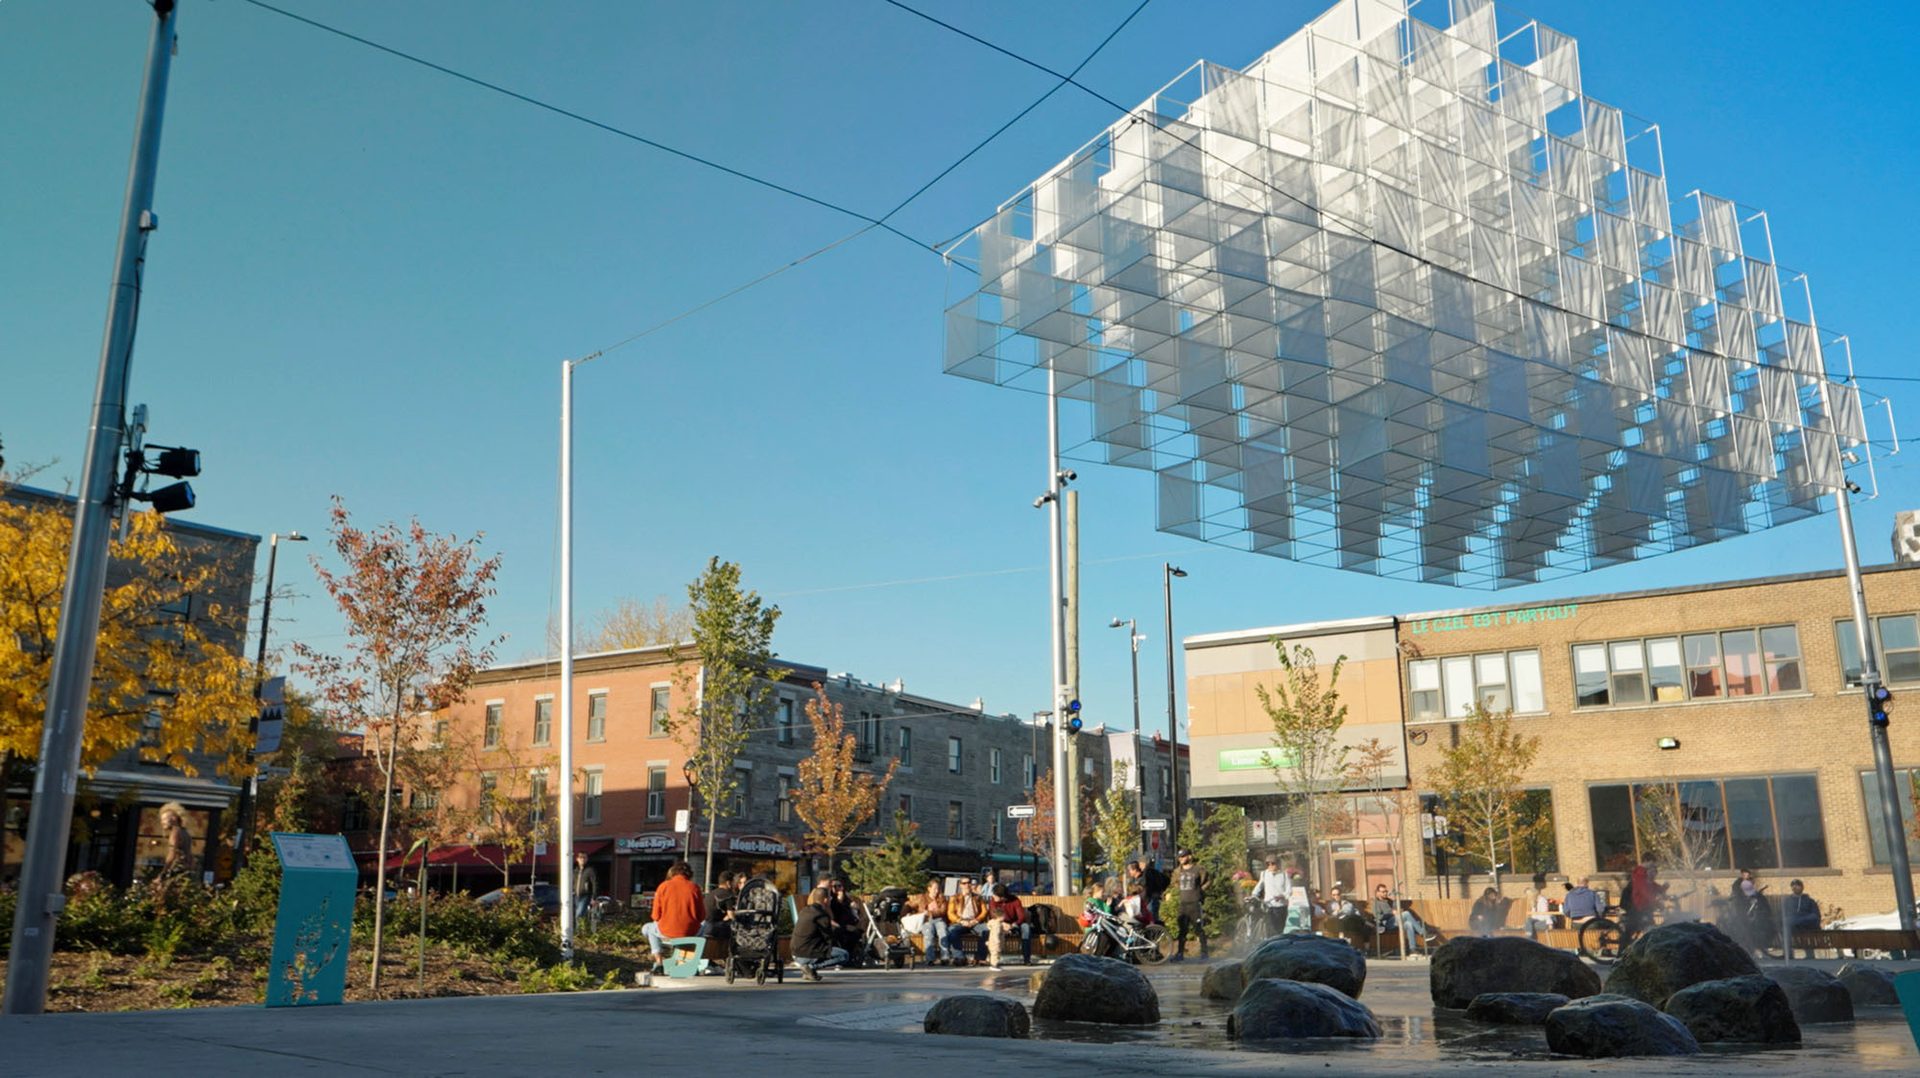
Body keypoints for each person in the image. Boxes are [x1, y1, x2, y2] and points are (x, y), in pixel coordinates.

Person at [642, 861, 704, 960]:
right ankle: (688, 958)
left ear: (672, 873)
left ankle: (658, 958)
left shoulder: (663, 886)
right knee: (704, 928)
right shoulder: (695, 888)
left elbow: (655, 916)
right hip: (690, 933)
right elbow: (701, 916)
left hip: (666, 932)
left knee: (647, 928)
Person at [792, 886, 848, 981]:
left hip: (795, 953)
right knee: (844, 955)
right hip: (807, 953)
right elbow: (828, 937)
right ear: (825, 900)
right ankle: (812, 967)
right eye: (830, 898)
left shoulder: (804, 910)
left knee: (822, 948)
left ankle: (808, 971)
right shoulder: (821, 914)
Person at [1171, 849, 1209, 960]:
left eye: (1183, 856)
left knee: (1198, 928)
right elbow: (1174, 882)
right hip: (1183, 903)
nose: (1181, 859)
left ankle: (1204, 952)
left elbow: (1207, 880)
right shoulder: (1178, 871)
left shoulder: (1198, 869)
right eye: (1180, 857)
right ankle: (1180, 953)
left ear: (1189, 857)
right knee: (1182, 930)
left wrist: (1201, 890)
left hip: (1195, 902)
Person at [944, 877, 989, 965]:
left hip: (974, 922)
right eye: (964, 883)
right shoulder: (954, 898)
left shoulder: (978, 897)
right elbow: (950, 913)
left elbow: (984, 911)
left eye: (969, 883)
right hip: (960, 922)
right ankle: (960, 957)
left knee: (986, 931)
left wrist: (976, 920)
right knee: (952, 932)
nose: (967, 885)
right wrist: (960, 921)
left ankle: (980, 958)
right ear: (960, 885)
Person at [985, 884, 1032, 968]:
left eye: (995, 895)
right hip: (999, 923)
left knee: (1026, 928)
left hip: (1015, 924)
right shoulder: (993, 901)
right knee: (991, 928)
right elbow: (993, 916)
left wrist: (1013, 925)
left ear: (1002, 897)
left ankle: (1027, 958)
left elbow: (1021, 917)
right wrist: (1002, 924)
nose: (993, 896)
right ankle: (993, 959)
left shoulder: (1015, 900)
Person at [910, 878, 952, 965]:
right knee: (928, 933)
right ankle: (930, 958)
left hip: (939, 919)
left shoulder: (941, 898)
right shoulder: (922, 897)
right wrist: (907, 914)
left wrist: (929, 912)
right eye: (934, 888)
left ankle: (945, 957)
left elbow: (942, 911)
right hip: (926, 920)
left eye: (938, 888)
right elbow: (910, 905)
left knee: (943, 932)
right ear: (929, 888)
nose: (936, 891)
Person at [1624, 857, 1666, 937]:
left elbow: (1654, 887)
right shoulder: (1640, 876)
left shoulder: (1645, 877)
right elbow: (1646, 893)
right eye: (1651, 865)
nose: (1654, 874)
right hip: (1638, 907)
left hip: (1645, 907)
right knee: (1631, 932)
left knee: (1649, 930)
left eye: (1655, 872)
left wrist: (1664, 889)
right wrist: (1658, 903)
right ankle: (1623, 949)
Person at [827, 878, 864, 964]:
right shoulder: (831, 899)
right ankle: (845, 957)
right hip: (836, 924)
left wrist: (855, 906)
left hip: (849, 923)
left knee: (857, 932)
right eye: (834, 886)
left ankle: (851, 956)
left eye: (839, 886)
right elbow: (835, 910)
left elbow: (855, 910)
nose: (837, 888)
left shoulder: (847, 897)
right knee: (846, 932)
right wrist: (839, 900)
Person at [1252, 857, 1292, 937]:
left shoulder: (1284, 874)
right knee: (1270, 928)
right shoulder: (1264, 874)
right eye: (1268, 864)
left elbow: (1289, 890)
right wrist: (1253, 895)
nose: (1270, 866)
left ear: (1278, 864)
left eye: (1272, 863)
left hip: (1281, 906)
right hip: (1268, 905)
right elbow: (1259, 885)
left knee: (1279, 929)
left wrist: (1282, 896)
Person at [1782, 879, 1821, 959]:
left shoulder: (1809, 901)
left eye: (1797, 885)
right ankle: (1788, 953)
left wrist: (1801, 919)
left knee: (1810, 919)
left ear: (1802, 887)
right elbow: (1783, 914)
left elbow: (1815, 915)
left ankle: (1809, 954)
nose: (1795, 887)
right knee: (1787, 924)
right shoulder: (1787, 901)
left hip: (1806, 924)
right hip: (1793, 926)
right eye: (1793, 885)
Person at [157, 803, 192, 879]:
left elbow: (172, 854)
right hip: (185, 870)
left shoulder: (175, 832)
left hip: (176, 870)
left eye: (164, 819)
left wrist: (162, 874)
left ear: (174, 818)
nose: (162, 822)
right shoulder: (185, 832)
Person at [573, 852, 599, 926]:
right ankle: (583, 930)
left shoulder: (590, 870)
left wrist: (594, 897)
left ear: (587, 859)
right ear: (577, 859)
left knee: (579, 914)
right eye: (581, 857)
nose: (583, 859)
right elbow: (573, 882)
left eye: (584, 857)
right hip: (576, 895)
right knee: (579, 914)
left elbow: (595, 883)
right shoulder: (575, 870)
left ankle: (578, 933)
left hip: (585, 895)